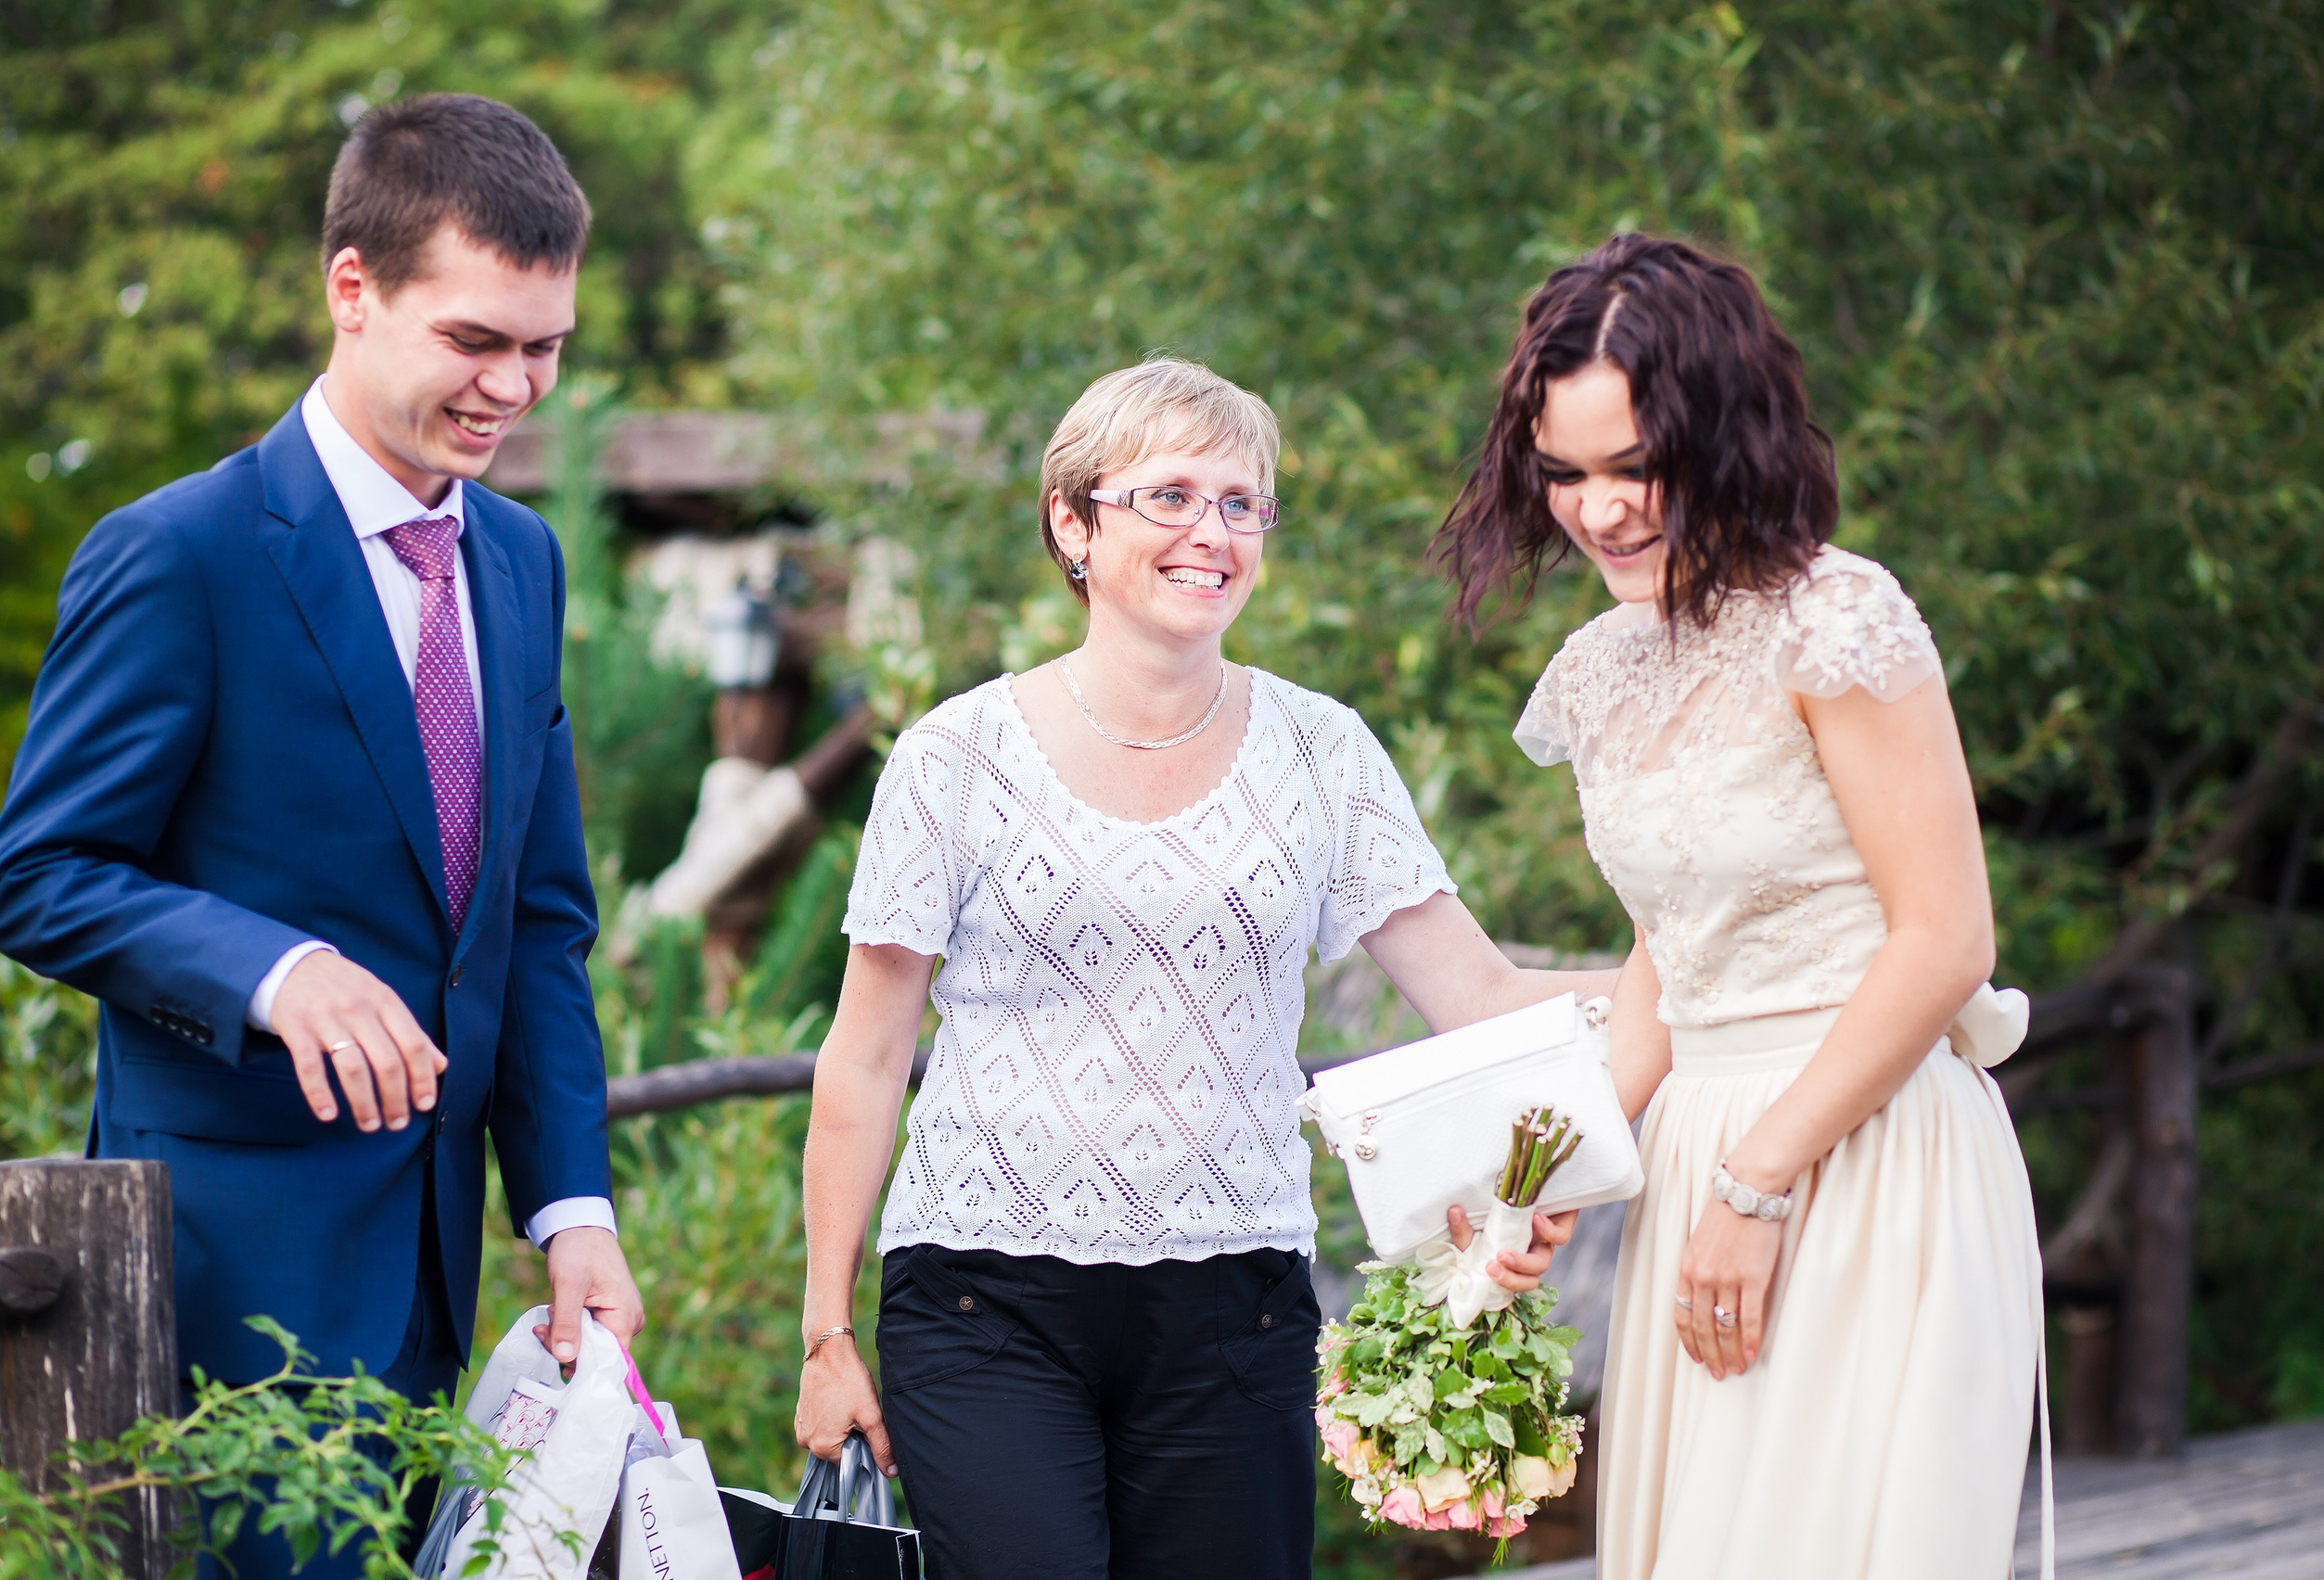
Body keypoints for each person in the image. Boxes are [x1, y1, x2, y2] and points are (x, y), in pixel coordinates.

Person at [796, 358, 1615, 1580]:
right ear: (1073, 522)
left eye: (1240, 504)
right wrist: (824, 1333)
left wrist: (1698, 975)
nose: (1211, 533)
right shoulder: (953, 757)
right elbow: (863, 1061)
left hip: (1238, 1310)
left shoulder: (1323, 751)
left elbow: (1482, 997)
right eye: (1168, 497)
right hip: (981, 1305)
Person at [0, 94, 644, 1576]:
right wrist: (274, 973)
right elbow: (39, 874)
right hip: (229, 1284)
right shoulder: (181, 554)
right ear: (352, 291)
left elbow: (535, 925)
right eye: (475, 343)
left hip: (439, 1279)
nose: (515, 388)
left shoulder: (524, 563)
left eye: (545, 348)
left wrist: (570, 1209)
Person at [1434, 233, 2044, 1578]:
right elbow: (1673, 950)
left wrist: (1756, 1187)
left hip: (1861, 1146)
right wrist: (1561, 1172)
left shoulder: (1841, 622)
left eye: (1636, 467)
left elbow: (1947, 941)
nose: (1599, 512)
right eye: (1566, 475)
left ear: (1729, 436)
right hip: (1702, 1151)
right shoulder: (1603, 669)